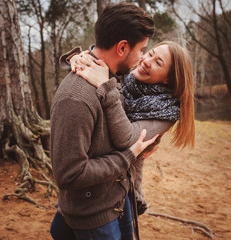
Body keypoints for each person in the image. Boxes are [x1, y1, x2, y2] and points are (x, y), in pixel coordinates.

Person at [53, 40, 195, 239]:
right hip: (97, 189)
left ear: (167, 81)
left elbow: (126, 138)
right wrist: (79, 58)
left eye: (158, 63)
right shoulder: (131, 82)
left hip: (122, 187)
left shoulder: (166, 112)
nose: (146, 61)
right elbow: (109, 59)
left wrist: (106, 86)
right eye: (150, 53)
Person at [50, 2, 168, 240]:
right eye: (142, 49)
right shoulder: (76, 98)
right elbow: (69, 174)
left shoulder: (113, 78)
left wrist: (75, 56)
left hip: (117, 201)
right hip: (94, 218)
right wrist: (128, 157)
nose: (143, 57)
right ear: (122, 47)